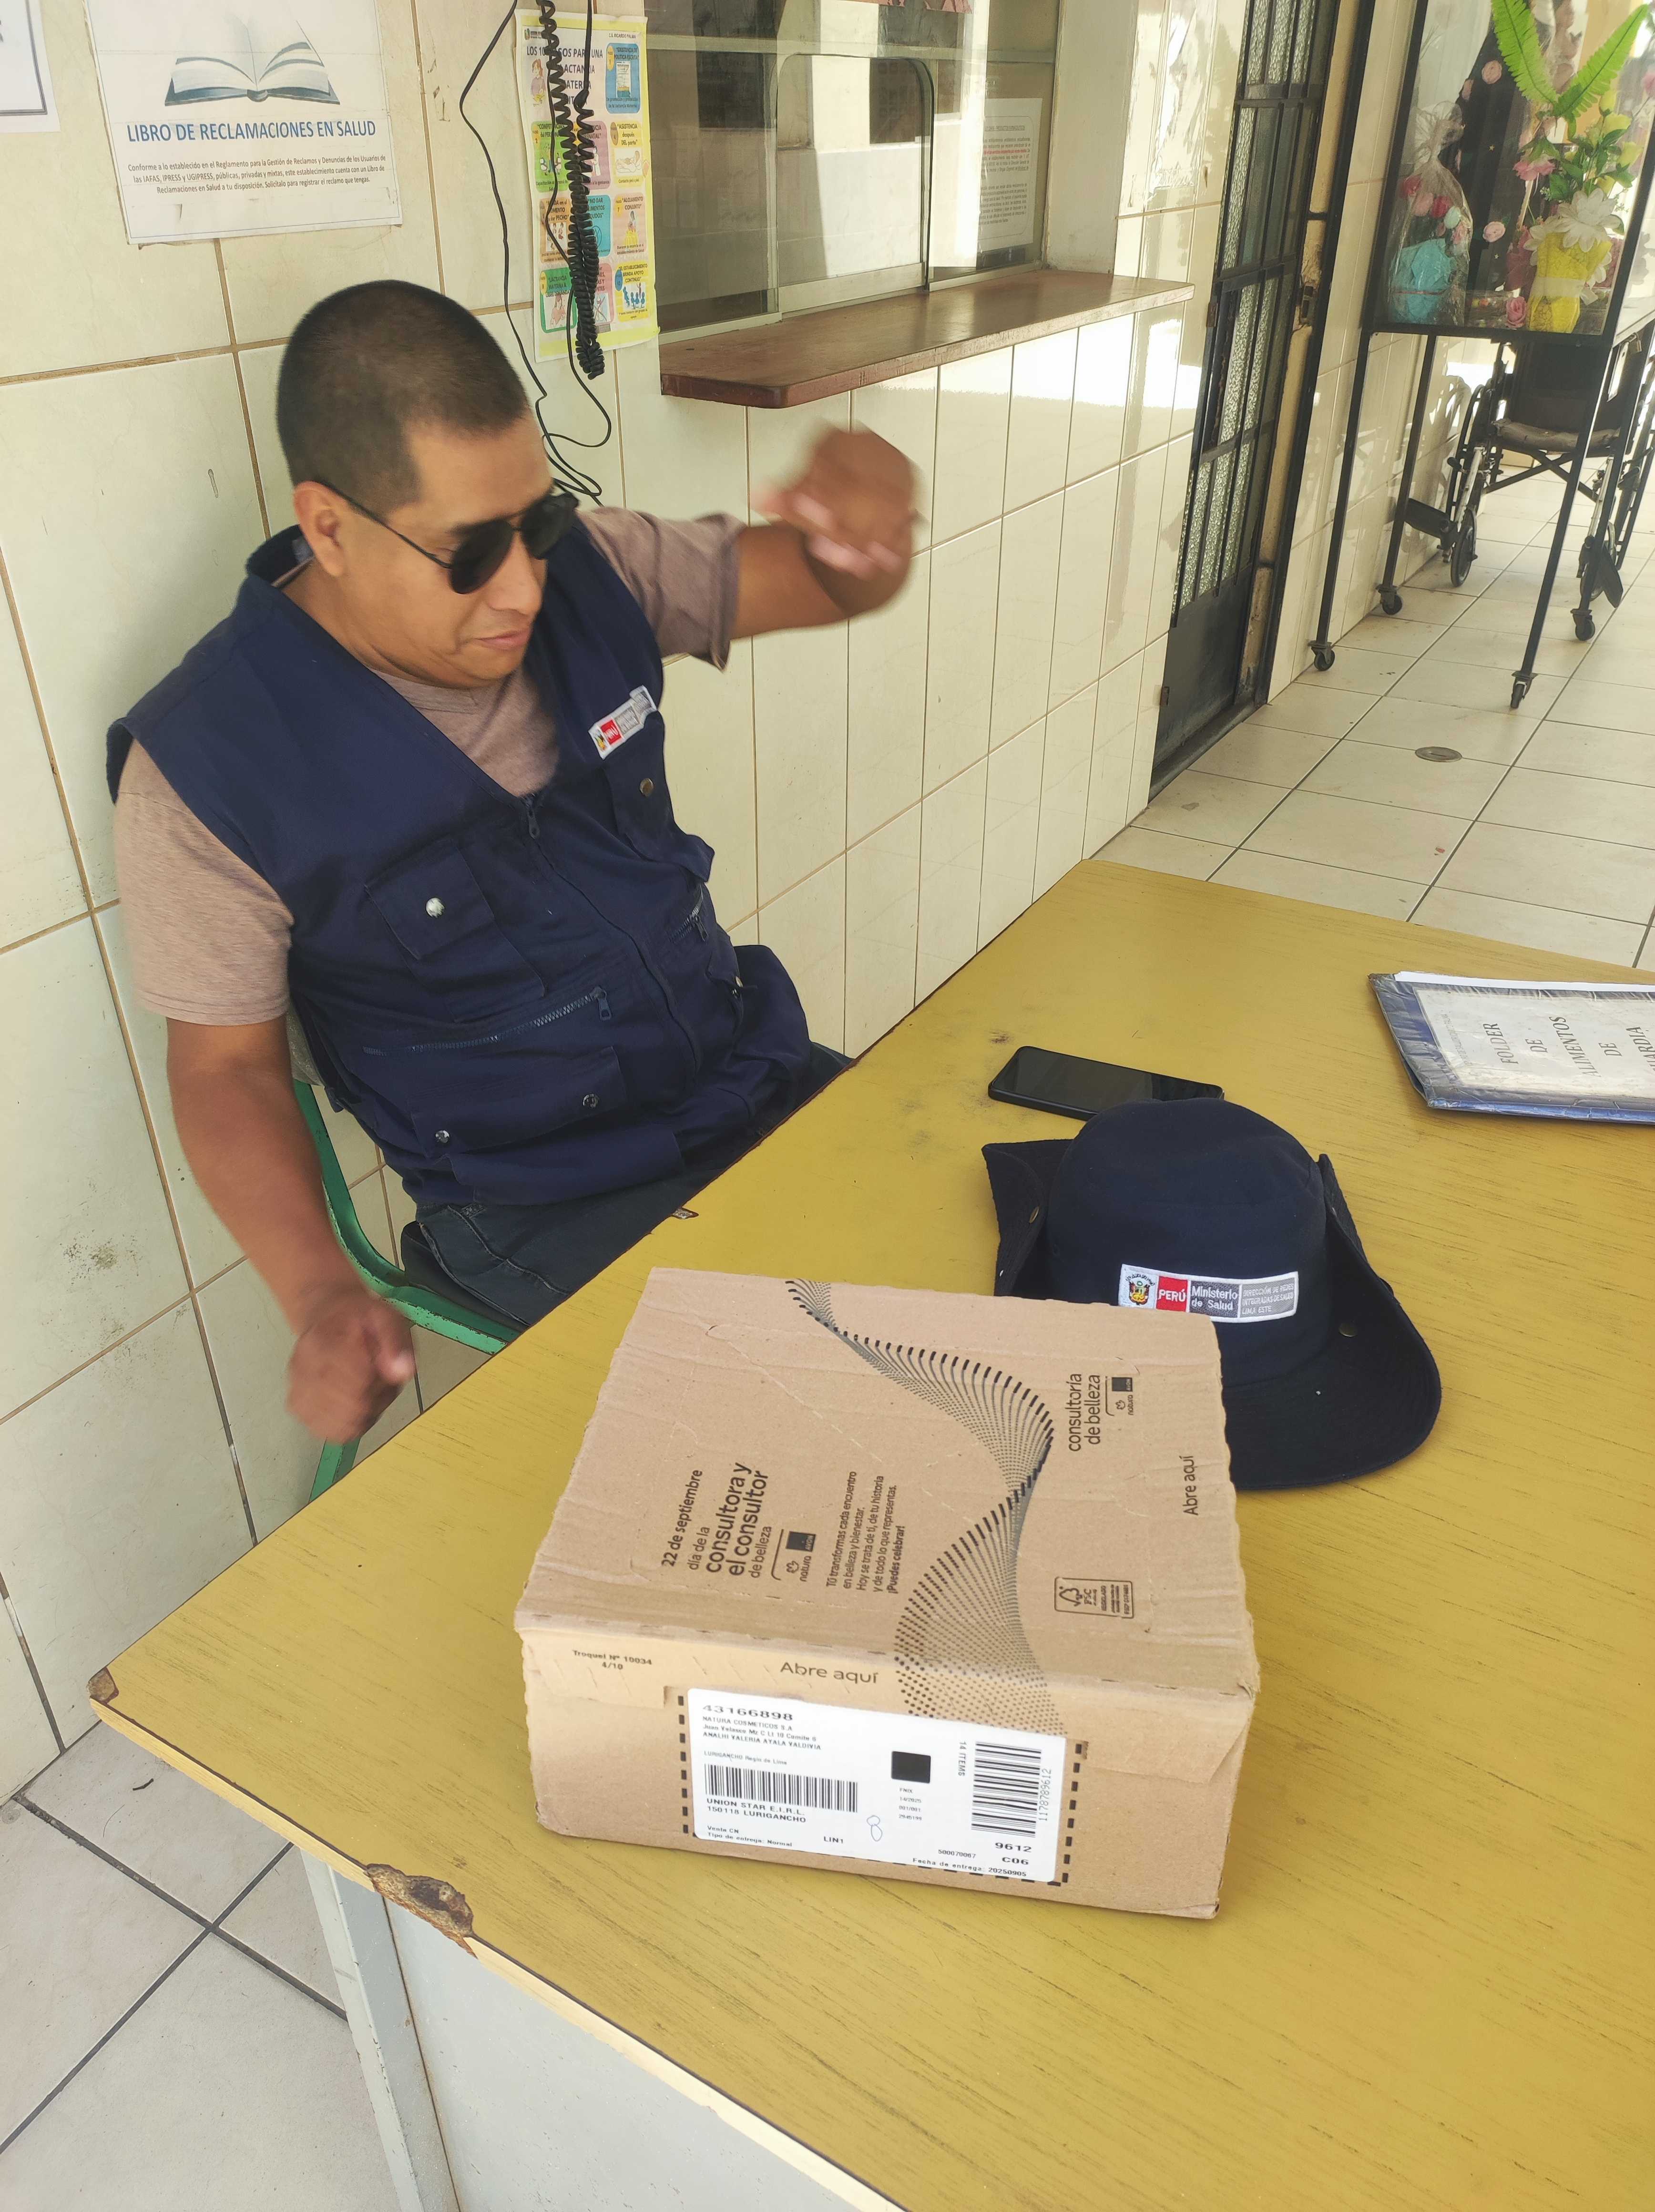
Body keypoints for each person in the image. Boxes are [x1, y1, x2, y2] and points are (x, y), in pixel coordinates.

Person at [109, 281, 915, 1449]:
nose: (524, 586)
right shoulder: (208, 768)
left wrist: (872, 526)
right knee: (821, 1437)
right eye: (469, 551)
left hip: (746, 1082)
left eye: (535, 525)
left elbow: (832, 579)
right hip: (542, 1203)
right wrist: (321, 1292)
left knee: (1006, 1260)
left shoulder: (593, 571)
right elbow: (223, 1072)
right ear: (326, 527)